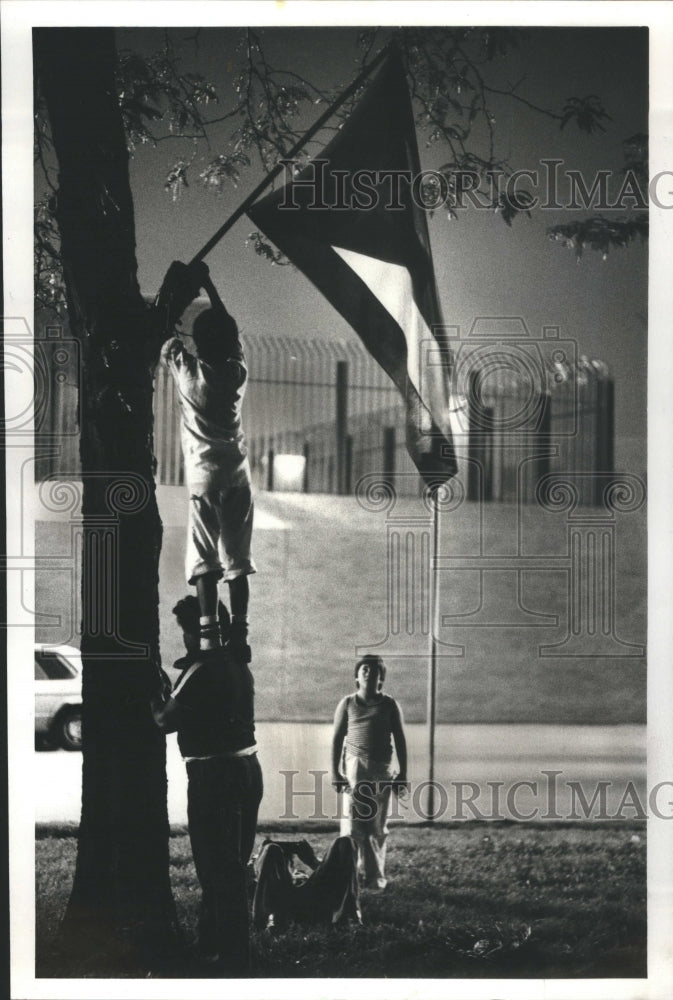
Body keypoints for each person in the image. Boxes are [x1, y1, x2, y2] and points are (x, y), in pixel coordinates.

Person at [151, 597, 263, 976]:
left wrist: (156, 689)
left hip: (215, 776)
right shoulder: (236, 663)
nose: (183, 639)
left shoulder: (203, 668)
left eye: (186, 630)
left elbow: (164, 721)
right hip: (248, 767)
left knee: (217, 869)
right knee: (231, 864)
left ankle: (230, 959)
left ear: (200, 631)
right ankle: (214, 945)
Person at [156, 260, 255, 661]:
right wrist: (210, 284)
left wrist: (184, 290)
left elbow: (163, 331)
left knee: (204, 564)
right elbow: (229, 331)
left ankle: (210, 636)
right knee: (238, 563)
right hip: (238, 476)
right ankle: (241, 634)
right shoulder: (236, 373)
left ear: (198, 342)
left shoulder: (187, 371)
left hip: (203, 480)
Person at [331, 655, 408, 890]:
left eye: (375, 671)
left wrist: (403, 773)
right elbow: (336, 739)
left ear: (381, 678)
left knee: (376, 825)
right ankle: (350, 877)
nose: (369, 673)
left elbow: (400, 740)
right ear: (356, 676)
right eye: (364, 669)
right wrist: (335, 772)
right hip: (354, 768)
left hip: (380, 769)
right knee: (352, 826)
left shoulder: (389, 705)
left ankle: (375, 879)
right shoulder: (347, 703)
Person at [252, 836, 361, 931]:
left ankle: (350, 914)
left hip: (312, 897)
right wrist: (264, 850)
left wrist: (311, 860)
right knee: (271, 848)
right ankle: (271, 917)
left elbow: (330, 877)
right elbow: (253, 878)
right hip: (282, 900)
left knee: (346, 842)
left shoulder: (304, 874)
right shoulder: (265, 867)